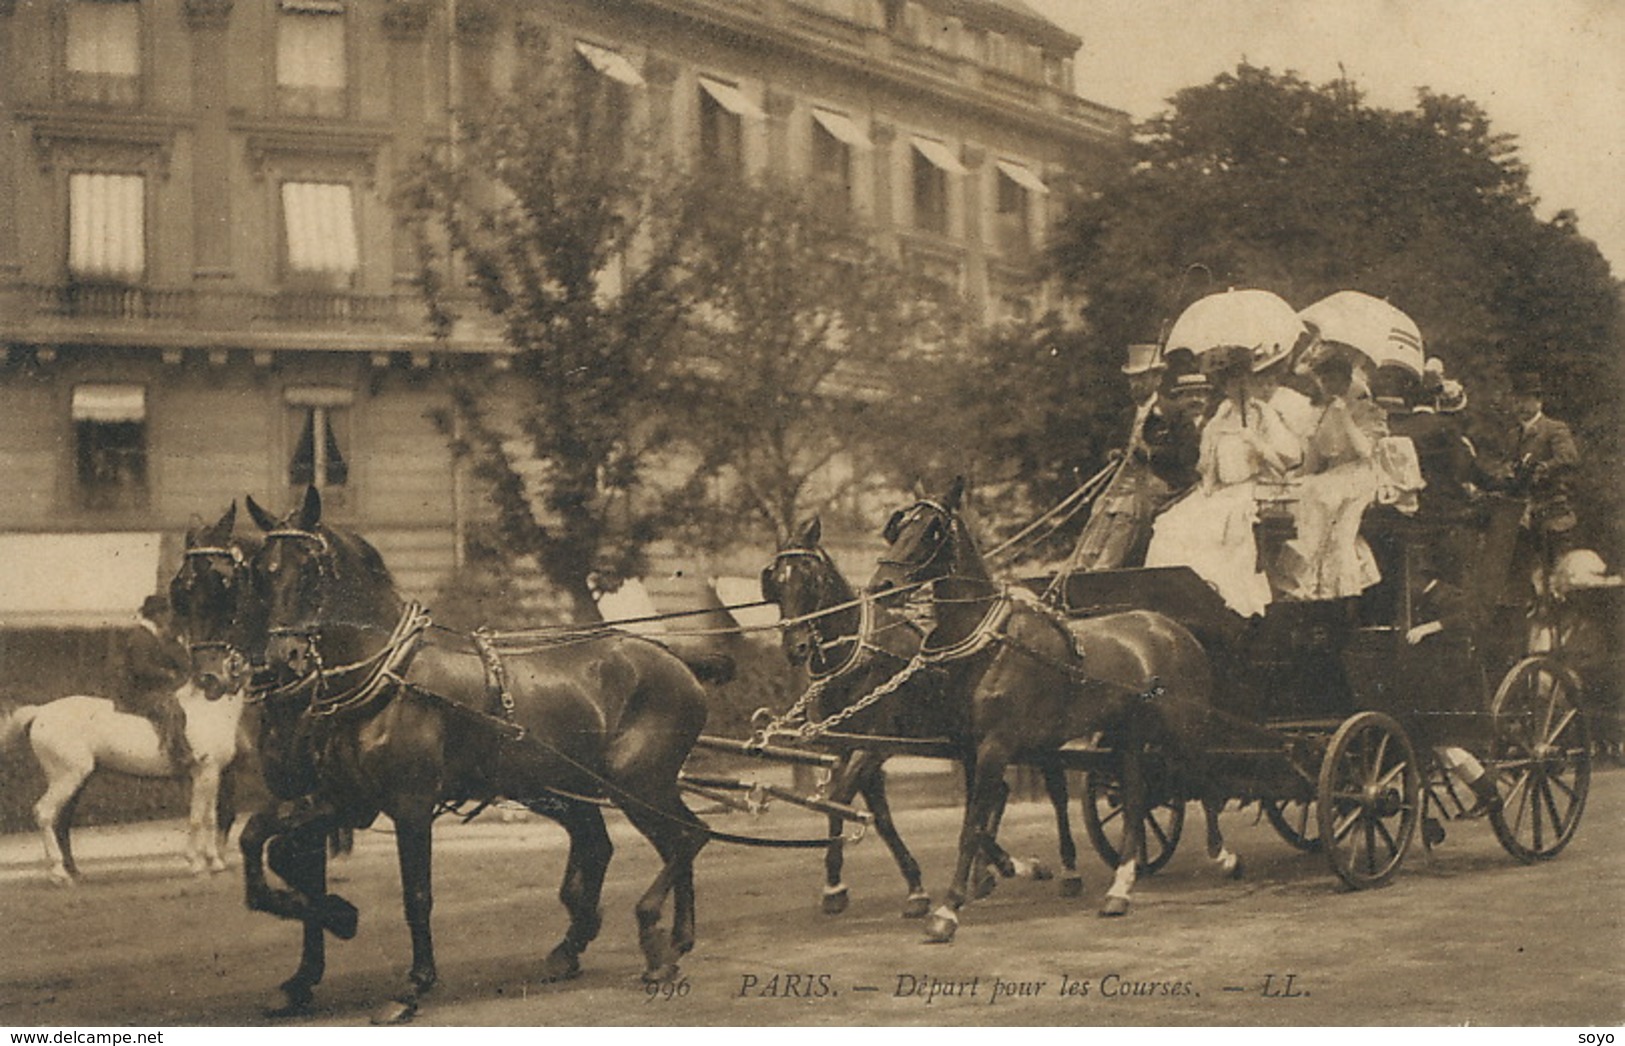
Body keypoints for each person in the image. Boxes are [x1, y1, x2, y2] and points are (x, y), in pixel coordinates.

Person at [1144, 347, 1302, 617]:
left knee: (1223, 527)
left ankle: (1224, 599)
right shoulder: (1220, 416)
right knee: (1171, 524)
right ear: (1224, 385)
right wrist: (1206, 487)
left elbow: (1288, 460)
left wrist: (1258, 444)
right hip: (1219, 491)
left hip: (1252, 489)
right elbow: (1206, 467)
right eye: (1230, 380)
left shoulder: (1263, 414)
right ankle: (1179, 599)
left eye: (1242, 379)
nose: (1237, 386)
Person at [1066, 343, 1199, 571]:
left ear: (1157, 379)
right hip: (1126, 481)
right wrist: (1114, 454)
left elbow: (1187, 454)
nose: (1135, 385)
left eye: (1141, 378)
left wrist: (1150, 453)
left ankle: (1105, 567)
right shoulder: (1126, 415)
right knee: (1102, 505)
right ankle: (1082, 564)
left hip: (1163, 482)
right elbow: (1110, 447)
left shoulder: (1174, 412)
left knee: (1128, 507)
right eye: (1131, 379)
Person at [1277, 352, 1386, 602]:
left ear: (1348, 382)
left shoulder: (1367, 410)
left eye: (1336, 381)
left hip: (1361, 474)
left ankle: (1341, 596)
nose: (1330, 387)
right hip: (1332, 476)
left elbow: (1366, 452)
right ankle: (1313, 591)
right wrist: (1291, 477)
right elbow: (1313, 463)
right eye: (1325, 381)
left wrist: (1344, 415)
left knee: (1338, 534)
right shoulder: (1319, 415)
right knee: (1310, 494)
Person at [113, 594, 195, 767]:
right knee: (170, 710)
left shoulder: (149, 635)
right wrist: (166, 674)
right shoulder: (141, 637)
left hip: (148, 689)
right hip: (138, 693)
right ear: (156, 614)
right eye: (166, 613)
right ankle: (180, 755)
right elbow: (140, 668)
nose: (168, 617)